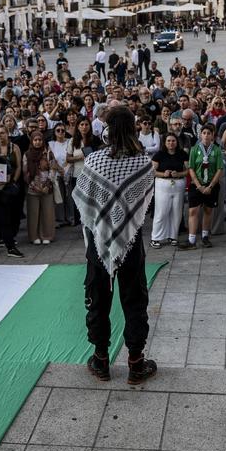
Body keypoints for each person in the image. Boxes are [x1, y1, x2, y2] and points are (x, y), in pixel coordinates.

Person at [73, 105, 157, 385]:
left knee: (98, 299)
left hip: (98, 243)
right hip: (131, 243)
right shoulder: (143, 162)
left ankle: (101, 360)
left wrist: (102, 226)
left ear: (107, 130)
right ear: (133, 128)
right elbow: (145, 199)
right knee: (134, 300)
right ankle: (135, 363)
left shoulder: (95, 161)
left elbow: (83, 199)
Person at [183, 123, 224, 250]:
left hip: (211, 185)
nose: (206, 135)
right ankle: (191, 240)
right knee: (193, 210)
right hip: (197, 185)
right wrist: (199, 186)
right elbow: (191, 168)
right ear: (200, 135)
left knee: (208, 210)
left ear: (212, 136)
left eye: (209, 133)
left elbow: (219, 169)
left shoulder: (216, 150)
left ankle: (205, 237)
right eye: (204, 133)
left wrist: (210, 186)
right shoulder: (195, 149)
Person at [151, 133, 188, 247]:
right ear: (165, 143)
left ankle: (173, 236)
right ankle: (156, 238)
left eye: (173, 141)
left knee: (176, 212)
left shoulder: (182, 154)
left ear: (177, 142)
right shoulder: (159, 155)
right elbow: (152, 171)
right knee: (161, 211)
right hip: (163, 184)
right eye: (168, 141)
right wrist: (163, 173)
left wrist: (179, 174)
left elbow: (188, 170)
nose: (171, 143)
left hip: (178, 184)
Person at [23, 135, 56, 246]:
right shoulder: (27, 154)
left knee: (47, 212)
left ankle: (47, 235)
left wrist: (47, 184)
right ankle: (34, 236)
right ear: (32, 141)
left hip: (47, 188)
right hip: (33, 188)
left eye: (40, 140)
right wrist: (34, 185)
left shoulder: (48, 153)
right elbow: (25, 172)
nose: (37, 142)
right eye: (35, 140)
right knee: (33, 213)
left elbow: (53, 169)